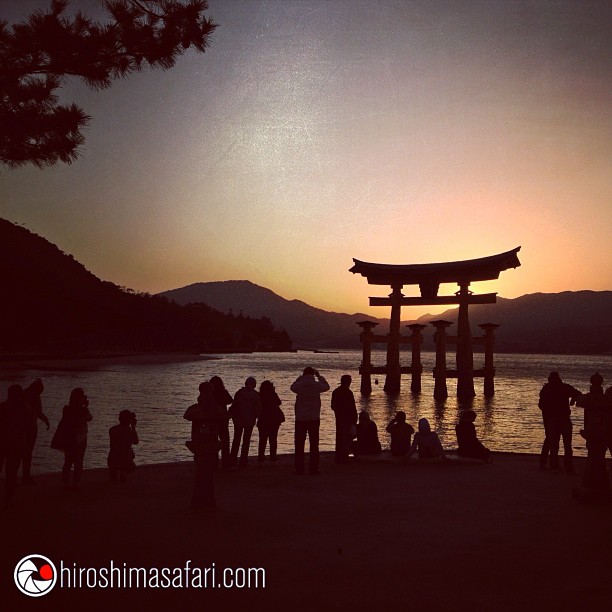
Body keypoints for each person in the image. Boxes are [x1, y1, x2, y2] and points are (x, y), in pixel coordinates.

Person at [184, 381, 226, 510]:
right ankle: (207, 502)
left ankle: (200, 502)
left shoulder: (195, 409)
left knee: (201, 474)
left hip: (200, 444)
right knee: (207, 475)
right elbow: (225, 415)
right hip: (209, 444)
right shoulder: (214, 409)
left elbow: (188, 415)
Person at [574, 373, 611, 501]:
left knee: (595, 456)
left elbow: (580, 400)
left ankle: (594, 484)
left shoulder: (589, 400)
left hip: (594, 432)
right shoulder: (606, 400)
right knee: (597, 456)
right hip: (603, 432)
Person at [538, 372, 581, 473]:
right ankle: (568, 467)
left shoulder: (546, 389)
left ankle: (553, 465)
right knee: (567, 445)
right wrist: (573, 400)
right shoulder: (564, 387)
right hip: (563, 418)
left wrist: (547, 414)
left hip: (552, 419)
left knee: (553, 443)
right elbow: (578, 394)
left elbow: (541, 405)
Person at [290, 367, 330, 475]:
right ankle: (314, 468)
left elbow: (292, 387)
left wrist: (299, 378)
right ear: (313, 374)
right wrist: (319, 376)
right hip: (313, 418)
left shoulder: (299, 386)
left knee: (299, 444)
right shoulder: (317, 385)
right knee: (314, 444)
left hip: (300, 418)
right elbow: (327, 386)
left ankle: (299, 469)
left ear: (304, 374)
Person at [0, 385, 28, 505]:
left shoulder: (2, 407)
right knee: (11, 472)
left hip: (2, 441)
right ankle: (8, 498)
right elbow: (30, 427)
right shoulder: (25, 409)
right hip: (17, 443)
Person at [60, 388, 93, 489]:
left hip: (68, 436)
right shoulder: (83, 410)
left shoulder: (66, 409)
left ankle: (65, 482)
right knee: (78, 461)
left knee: (68, 460)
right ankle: (76, 482)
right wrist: (85, 406)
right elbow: (89, 418)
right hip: (80, 437)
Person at [22, 379, 50, 484]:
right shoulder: (26, 396)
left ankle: (24, 475)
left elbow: (38, 412)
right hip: (26, 428)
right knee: (25, 453)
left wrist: (45, 420)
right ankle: (24, 476)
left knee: (26, 453)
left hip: (30, 428)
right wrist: (45, 419)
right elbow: (38, 412)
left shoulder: (31, 395)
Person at [229, 377, 261, 468]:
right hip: (249, 420)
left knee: (236, 440)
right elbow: (258, 410)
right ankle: (243, 461)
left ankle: (233, 460)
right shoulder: (256, 395)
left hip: (238, 420)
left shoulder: (239, 393)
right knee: (246, 441)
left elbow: (234, 405)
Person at [331, 375, 358, 463]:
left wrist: (338, 412)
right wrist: (354, 419)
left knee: (339, 437)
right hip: (348, 419)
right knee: (346, 438)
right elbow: (352, 407)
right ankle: (344, 456)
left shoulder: (336, 391)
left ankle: (339, 456)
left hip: (339, 418)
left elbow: (333, 406)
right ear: (348, 382)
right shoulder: (348, 392)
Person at [257, 380, 284, 464]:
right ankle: (273, 459)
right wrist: (274, 392)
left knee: (262, 441)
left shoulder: (259, 395)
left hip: (262, 420)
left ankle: (261, 460)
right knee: (273, 440)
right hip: (273, 420)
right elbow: (279, 403)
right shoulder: (273, 395)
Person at [107, 410, 139, 482]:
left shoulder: (112, 429)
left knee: (120, 452)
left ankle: (115, 472)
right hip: (124, 459)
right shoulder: (129, 431)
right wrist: (133, 427)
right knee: (132, 467)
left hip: (112, 459)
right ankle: (122, 471)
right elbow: (136, 441)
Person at [210, 376, 233, 468]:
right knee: (225, 442)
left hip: (212, 420)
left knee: (213, 441)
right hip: (223, 420)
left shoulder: (210, 394)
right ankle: (226, 463)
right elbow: (230, 400)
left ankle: (214, 463)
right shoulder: (223, 392)